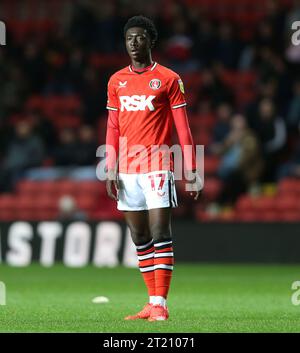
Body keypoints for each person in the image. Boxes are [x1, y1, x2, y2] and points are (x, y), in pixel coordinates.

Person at [105, 16, 201, 322]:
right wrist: (110, 166)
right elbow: (112, 126)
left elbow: (183, 128)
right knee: (139, 235)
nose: (134, 43)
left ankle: (161, 302)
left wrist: (193, 169)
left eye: (140, 38)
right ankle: (150, 301)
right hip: (127, 169)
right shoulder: (116, 81)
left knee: (161, 231)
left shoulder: (170, 79)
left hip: (158, 165)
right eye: (129, 38)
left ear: (151, 41)